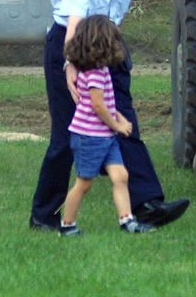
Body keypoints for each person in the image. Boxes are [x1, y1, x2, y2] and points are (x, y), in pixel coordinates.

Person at [29, 0, 189, 231]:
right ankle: (43, 217)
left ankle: (147, 205)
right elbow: (75, 19)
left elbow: (120, 3)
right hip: (73, 43)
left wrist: (114, 44)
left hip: (107, 41)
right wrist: (71, 63)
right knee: (66, 135)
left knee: (125, 122)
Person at [59, 15, 154, 236]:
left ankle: (127, 221)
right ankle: (67, 225)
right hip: (89, 137)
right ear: (103, 45)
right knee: (84, 183)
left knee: (121, 176)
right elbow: (98, 107)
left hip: (105, 135)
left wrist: (119, 118)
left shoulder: (101, 71)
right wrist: (118, 126)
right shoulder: (94, 75)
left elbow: (107, 104)